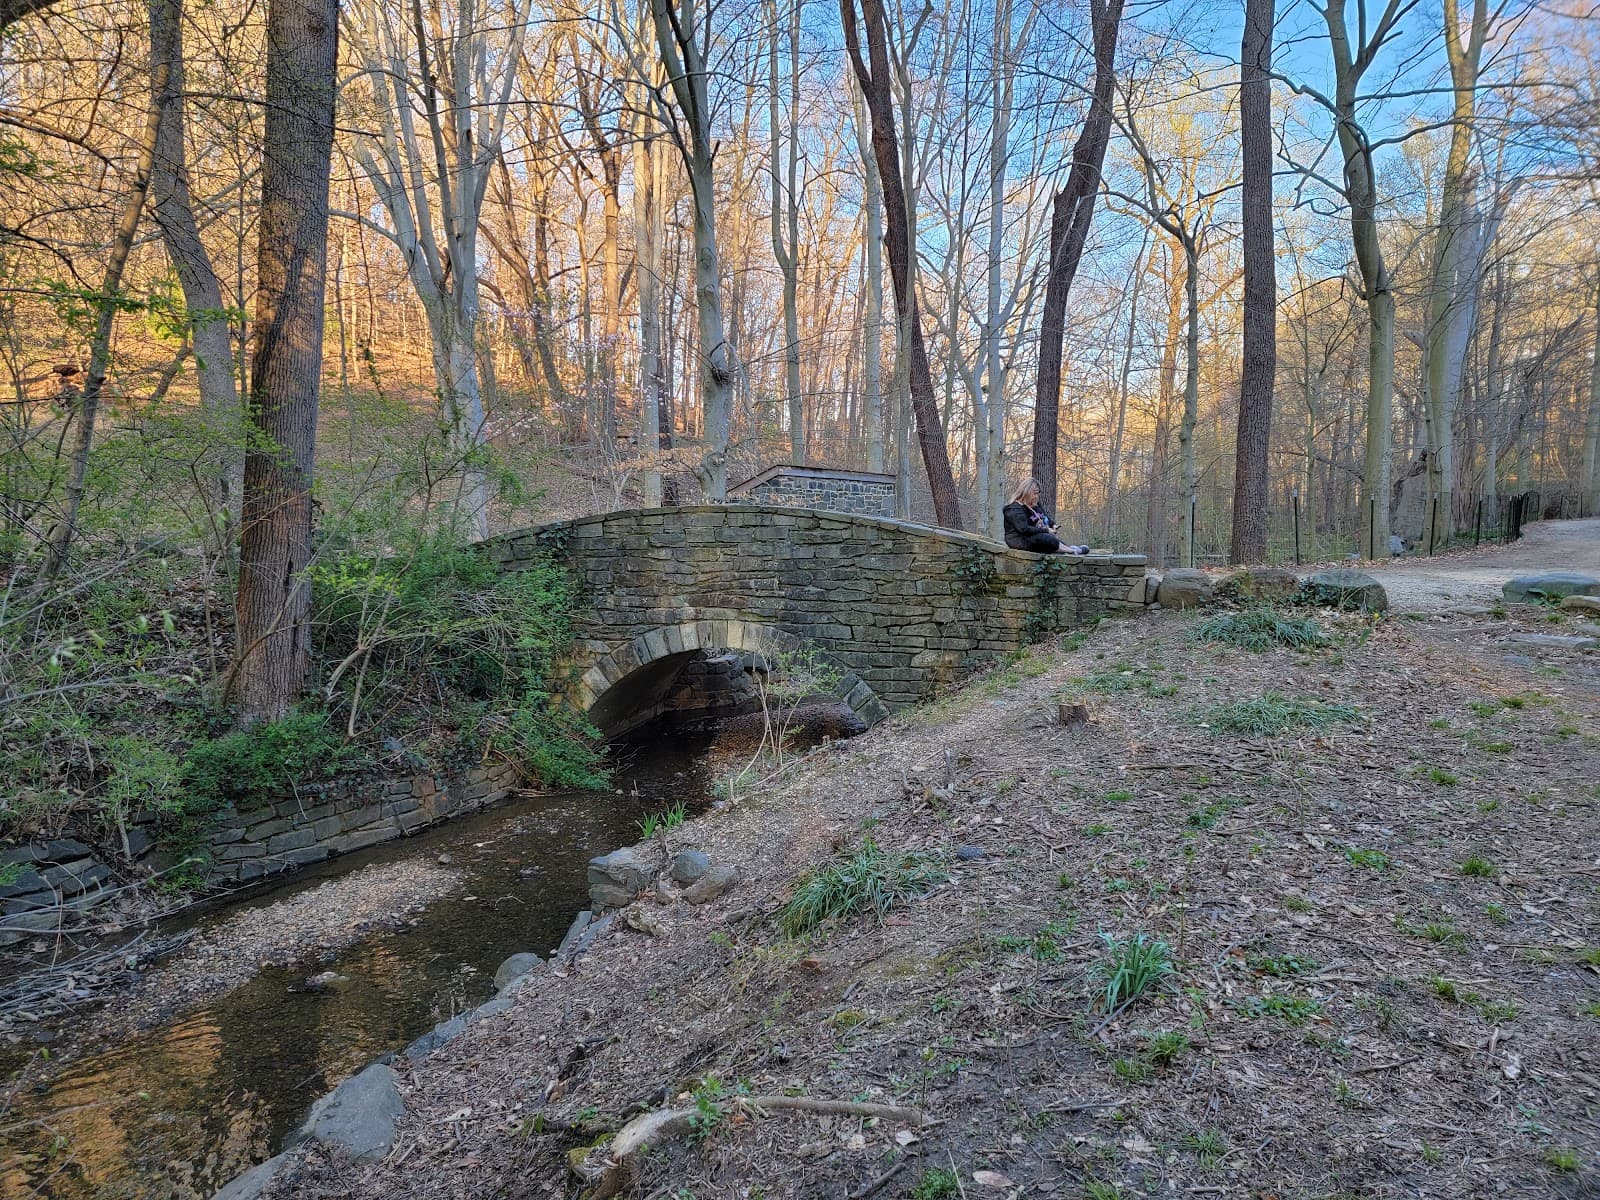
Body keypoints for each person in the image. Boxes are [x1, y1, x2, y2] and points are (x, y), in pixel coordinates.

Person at [1003, 478, 1087, 555]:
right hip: (1018, 540)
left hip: (1033, 536)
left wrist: (1052, 525)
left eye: (1037, 493)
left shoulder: (1034, 504)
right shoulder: (1013, 509)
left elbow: (1044, 517)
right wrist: (1046, 530)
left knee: (1052, 540)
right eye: (1034, 493)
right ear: (1026, 492)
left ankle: (1069, 548)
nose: (1036, 496)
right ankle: (1071, 551)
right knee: (1047, 539)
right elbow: (1024, 529)